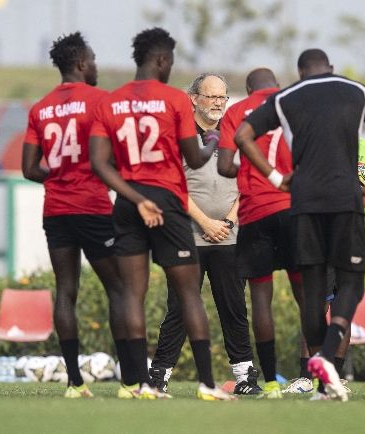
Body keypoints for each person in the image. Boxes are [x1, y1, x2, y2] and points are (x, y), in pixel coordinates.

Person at [235, 49, 365, 401]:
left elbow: (242, 136)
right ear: (330, 68)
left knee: (313, 293)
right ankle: (329, 357)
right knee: (350, 283)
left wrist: (274, 176)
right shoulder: (355, 90)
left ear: (301, 74)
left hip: (304, 202)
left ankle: (322, 375)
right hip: (345, 200)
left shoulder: (287, 97)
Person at [90, 27, 234, 401]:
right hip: (168, 200)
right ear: (162, 60)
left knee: (132, 296)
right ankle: (206, 385)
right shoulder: (172, 99)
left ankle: (139, 385)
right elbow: (194, 157)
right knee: (189, 294)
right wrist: (213, 142)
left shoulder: (110, 101)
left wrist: (135, 198)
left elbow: (99, 164)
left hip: (129, 201)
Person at [22, 32, 127, 398]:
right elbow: (115, 155)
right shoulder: (101, 101)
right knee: (119, 288)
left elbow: (28, 169)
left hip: (56, 210)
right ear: (82, 63)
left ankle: (73, 382)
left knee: (65, 292)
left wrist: (59, 176)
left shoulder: (40, 108)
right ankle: (130, 379)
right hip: (94, 206)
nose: (96, 65)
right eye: (94, 59)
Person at [150, 72, 260, 396]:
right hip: (189, 235)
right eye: (211, 96)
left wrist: (228, 219)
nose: (217, 103)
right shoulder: (177, 135)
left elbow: (249, 181)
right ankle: (159, 377)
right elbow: (172, 185)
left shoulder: (237, 134)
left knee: (234, 308)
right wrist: (204, 221)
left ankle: (245, 377)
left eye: (222, 97)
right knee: (181, 308)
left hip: (230, 234)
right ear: (193, 98)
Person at [217, 68, 308, 398]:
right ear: (277, 86)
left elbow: (224, 166)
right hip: (296, 210)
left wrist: (253, 168)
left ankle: (269, 382)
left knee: (261, 300)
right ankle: (322, 378)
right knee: (307, 296)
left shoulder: (235, 112)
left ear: (248, 88)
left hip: (255, 213)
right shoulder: (295, 103)